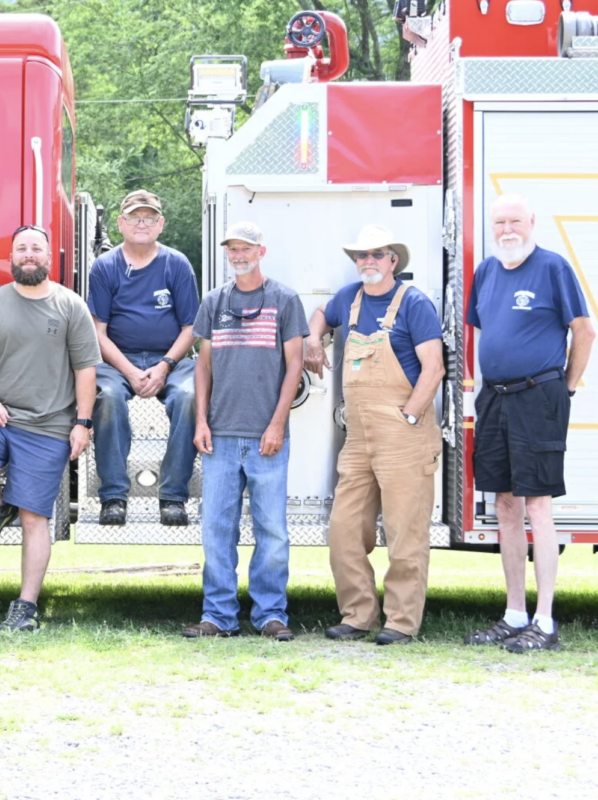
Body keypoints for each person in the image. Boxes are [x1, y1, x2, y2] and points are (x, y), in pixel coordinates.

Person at [0, 225, 100, 632]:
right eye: (22, 248)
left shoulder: (71, 305)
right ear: (11, 257)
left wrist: (82, 423)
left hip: (49, 425)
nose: (29, 254)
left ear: (49, 257)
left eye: (36, 248)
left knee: (36, 519)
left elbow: (86, 370)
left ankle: (25, 607)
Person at [464, 195, 594, 653]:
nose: (506, 229)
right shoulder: (486, 271)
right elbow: (483, 329)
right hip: (495, 399)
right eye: (499, 222)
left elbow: (584, 329)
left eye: (515, 220)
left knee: (537, 504)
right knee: (504, 503)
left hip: (540, 395)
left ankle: (545, 621)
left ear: (532, 222)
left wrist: (569, 387)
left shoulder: (552, 267)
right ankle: (514, 614)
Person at [305, 224, 444, 646]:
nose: (368, 262)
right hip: (360, 435)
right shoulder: (349, 298)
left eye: (377, 255)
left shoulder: (415, 304)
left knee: (405, 533)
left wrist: (410, 417)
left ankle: (401, 622)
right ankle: (358, 615)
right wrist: (313, 338)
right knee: (345, 529)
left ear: (393, 261)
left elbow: (433, 368)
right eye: (361, 256)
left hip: (404, 433)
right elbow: (319, 314)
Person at [186, 222, 306, 641]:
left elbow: (295, 365)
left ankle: (271, 614)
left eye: (246, 248)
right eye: (233, 249)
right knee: (217, 529)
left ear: (261, 251)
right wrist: (201, 421)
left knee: (271, 530)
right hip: (219, 435)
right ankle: (218, 615)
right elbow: (203, 365)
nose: (238, 255)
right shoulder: (214, 301)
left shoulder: (284, 299)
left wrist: (277, 423)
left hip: (266, 437)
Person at [88, 190, 200, 526]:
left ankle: (173, 496)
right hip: (116, 361)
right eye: (134, 217)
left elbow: (191, 327)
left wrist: (164, 366)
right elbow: (98, 332)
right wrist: (131, 372)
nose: (142, 223)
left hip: (173, 359)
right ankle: (113, 496)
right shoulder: (105, 267)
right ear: (120, 223)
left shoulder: (176, 264)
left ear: (160, 224)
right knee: (106, 397)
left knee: (190, 396)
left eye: (149, 217)